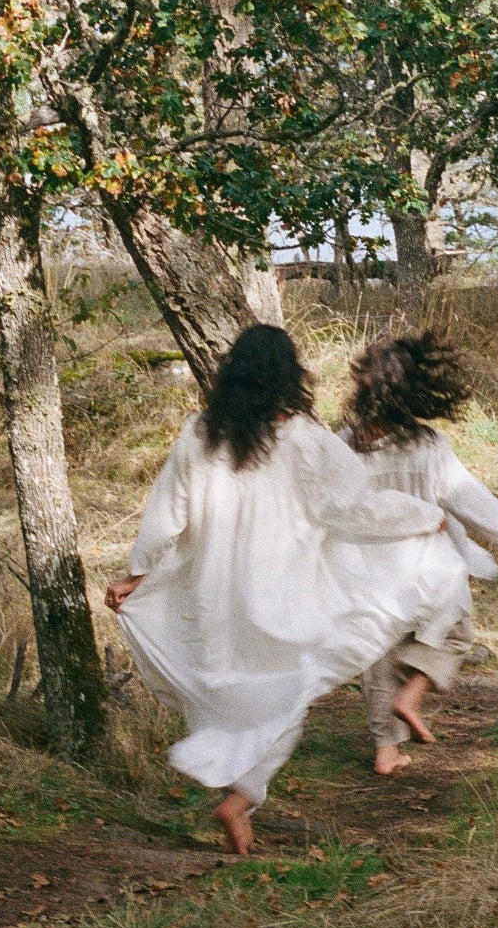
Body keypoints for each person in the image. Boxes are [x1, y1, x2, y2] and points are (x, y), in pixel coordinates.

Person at [104, 324, 471, 856]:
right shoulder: (301, 437)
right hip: (285, 590)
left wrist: (140, 571)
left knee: (232, 688)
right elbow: (351, 505)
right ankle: (244, 795)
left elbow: (168, 513)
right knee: (290, 689)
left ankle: (239, 788)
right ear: (287, 375)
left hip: (216, 593)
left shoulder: (199, 434)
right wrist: (422, 516)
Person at [340, 331, 498, 775]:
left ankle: (386, 750)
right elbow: (469, 499)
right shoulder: (425, 447)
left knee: (378, 657)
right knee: (452, 633)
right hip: (427, 567)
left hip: (365, 571)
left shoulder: (344, 444)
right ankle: (411, 696)